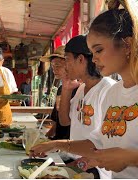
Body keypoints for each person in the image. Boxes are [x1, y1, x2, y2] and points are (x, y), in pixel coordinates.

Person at [30, 0, 138, 178]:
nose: (93, 59)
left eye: (99, 50)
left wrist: (129, 157)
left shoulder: (106, 89)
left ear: (127, 45)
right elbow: (98, 143)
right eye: (92, 52)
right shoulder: (114, 93)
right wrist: (55, 144)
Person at [61, 35, 115, 178]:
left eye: (67, 59)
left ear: (80, 59)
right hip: (73, 161)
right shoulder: (80, 89)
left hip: (95, 170)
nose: (65, 66)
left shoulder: (108, 89)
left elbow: (108, 144)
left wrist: (75, 167)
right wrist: (66, 89)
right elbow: (65, 121)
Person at [39, 46, 71, 140]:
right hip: (59, 141)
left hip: (70, 142)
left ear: (69, 64)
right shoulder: (61, 88)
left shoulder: (79, 89)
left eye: (57, 66)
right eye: (53, 67)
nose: (54, 70)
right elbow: (57, 121)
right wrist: (46, 137)